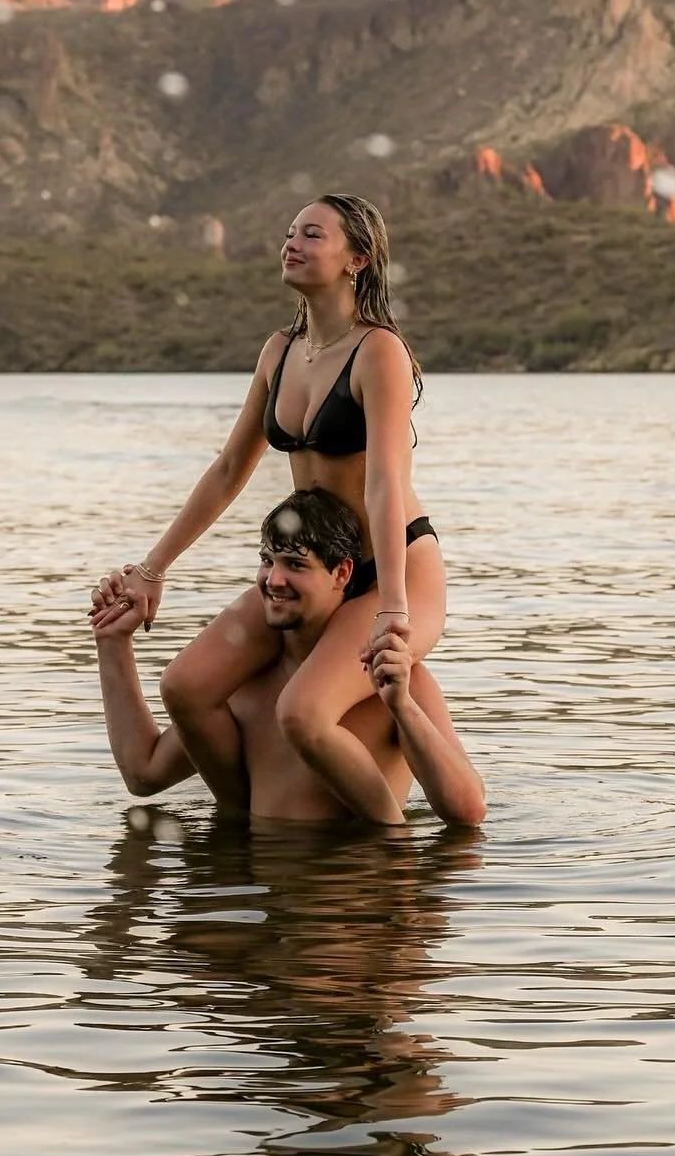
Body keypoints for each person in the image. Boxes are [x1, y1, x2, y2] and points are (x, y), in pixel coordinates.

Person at [96, 194, 446, 826]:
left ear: (356, 259)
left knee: (304, 710)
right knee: (185, 686)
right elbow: (230, 470)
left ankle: (390, 848)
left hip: (390, 570)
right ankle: (245, 826)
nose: (292, 242)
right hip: (312, 565)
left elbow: (387, 484)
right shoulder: (280, 351)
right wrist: (153, 568)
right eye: (290, 232)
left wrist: (392, 605)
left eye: (312, 235)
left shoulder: (379, 353)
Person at [90, 487, 484, 826]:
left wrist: (402, 708)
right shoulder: (242, 687)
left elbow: (467, 811)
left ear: (342, 574)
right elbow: (144, 773)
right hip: (252, 890)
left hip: (360, 890)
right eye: (267, 561)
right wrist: (113, 643)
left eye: (295, 565)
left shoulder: (398, 680)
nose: (273, 580)